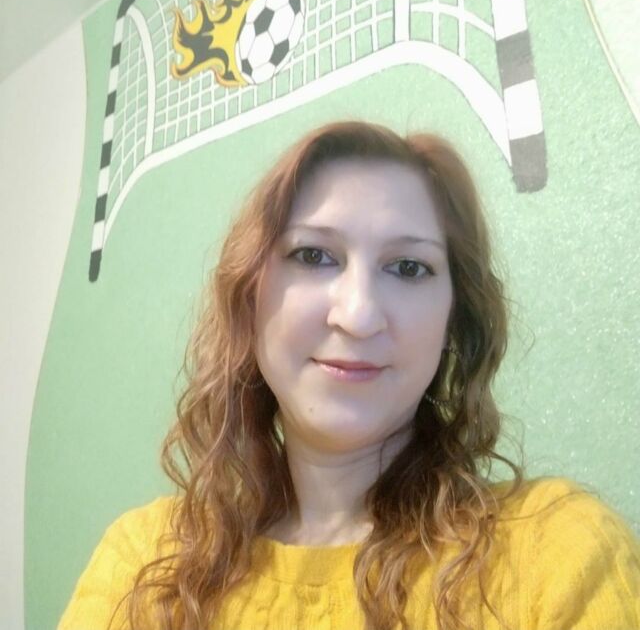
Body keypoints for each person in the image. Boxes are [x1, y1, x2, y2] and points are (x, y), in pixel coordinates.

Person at [58, 120, 640, 630]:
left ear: (453, 317)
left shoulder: (559, 552)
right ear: (248, 296)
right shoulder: (144, 563)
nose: (358, 315)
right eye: (314, 255)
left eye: (408, 267)